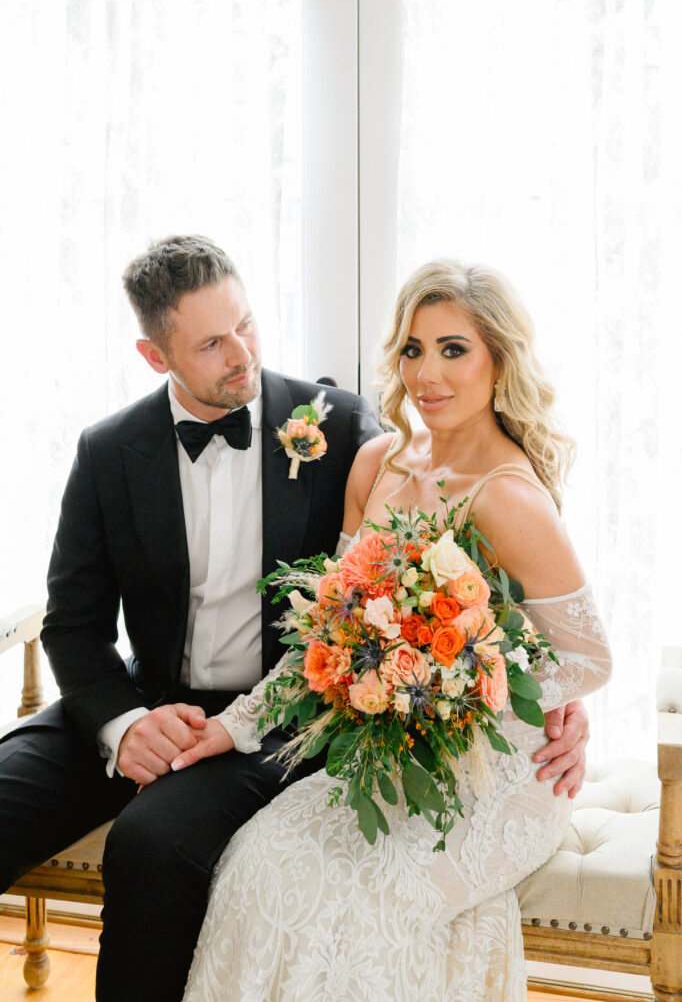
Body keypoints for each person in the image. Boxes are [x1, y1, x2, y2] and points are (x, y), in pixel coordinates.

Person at [0, 240, 587, 1001]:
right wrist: (123, 724)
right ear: (155, 355)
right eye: (212, 342)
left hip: (281, 713)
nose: (242, 351)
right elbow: (74, 623)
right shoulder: (109, 450)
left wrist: (558, 700)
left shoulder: (341, 429)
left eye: (245, 322)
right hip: (146, 700)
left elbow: (463, 561)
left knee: (152, 845)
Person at [177, 258, 612, 1002]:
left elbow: (589, 658)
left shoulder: (506, 497)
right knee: (259, 862)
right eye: (413, 348)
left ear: (498, 360)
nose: (427, 374)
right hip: (394, 750)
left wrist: (457, 691)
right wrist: (234, 726)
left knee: (370, 912)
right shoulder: (376, 462)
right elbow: (329, 631)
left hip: (499, 769)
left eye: (454, 348)